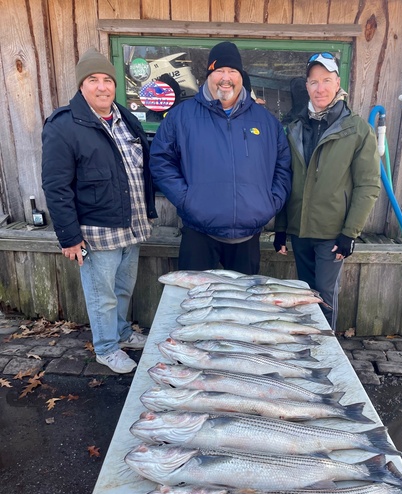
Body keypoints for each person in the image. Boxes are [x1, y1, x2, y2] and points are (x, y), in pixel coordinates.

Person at [42, 48, 157, 374]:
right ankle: (107, 349)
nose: (102, 86)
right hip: (96, 232)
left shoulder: (125, 118)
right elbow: (56, 186)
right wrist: (68, 236)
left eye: (108, 79)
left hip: (130, 227)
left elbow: (140, 171)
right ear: (82, 86)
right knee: (102, 296)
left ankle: (121, 333)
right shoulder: (63, 126)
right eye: (93, 80)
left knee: (123, 289)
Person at [149, 41, 291, 274]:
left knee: (243, 306)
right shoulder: (181, 117)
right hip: (199, 233)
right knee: (194, 305)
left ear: (241, 76)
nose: (226, 77)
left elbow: (283, 166)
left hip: (248, 235)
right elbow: (161, 161)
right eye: (219, 71)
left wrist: (269, 203)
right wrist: (187, 200)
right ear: (208, 75)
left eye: (233, 71)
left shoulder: (266, 122)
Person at [274, 52, 380, 329]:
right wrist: (282, 228)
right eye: (313, 82)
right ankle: (307, 346)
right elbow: (287, 179)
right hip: (300, 230)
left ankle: (326, 349)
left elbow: (368, 185)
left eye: (326, 80)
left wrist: (349, 233)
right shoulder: (295, 127)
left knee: (324, 293)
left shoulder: (357, 130)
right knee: (305, 293)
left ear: (337, 84)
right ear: (306, 87)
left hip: (332, 234)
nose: (320, 88)